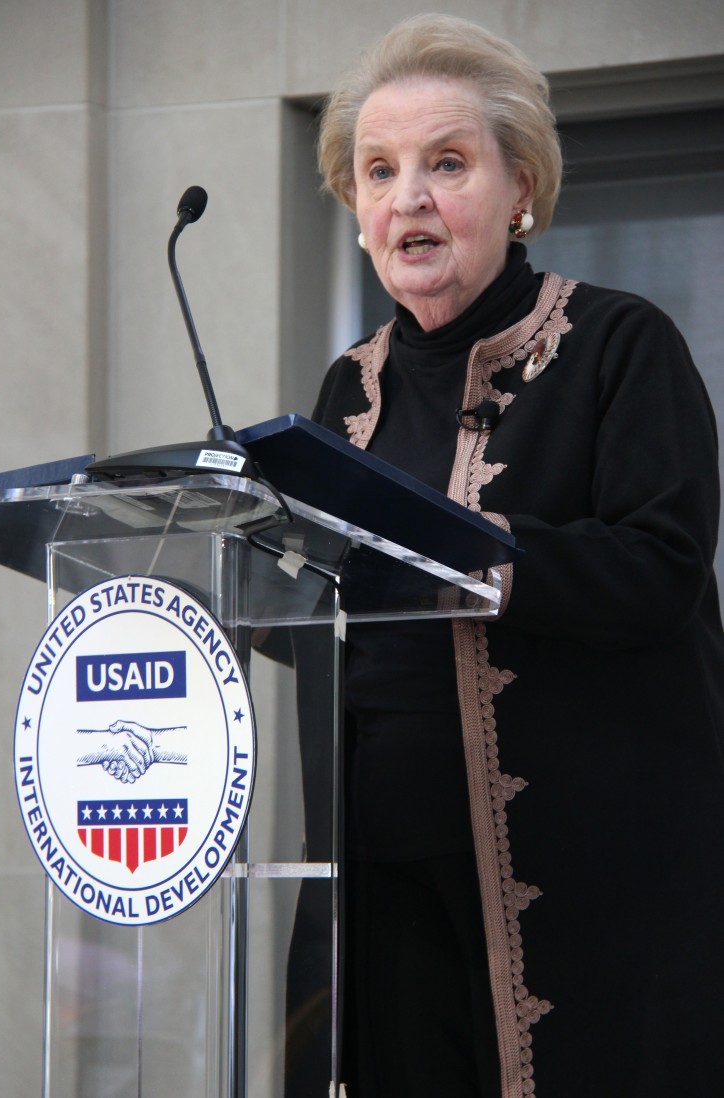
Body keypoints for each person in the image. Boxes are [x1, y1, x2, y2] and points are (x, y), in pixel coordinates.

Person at [308, 12, 724, 1098]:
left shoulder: (618, 346)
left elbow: (661, 566)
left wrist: (474, 553)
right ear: (356, 212)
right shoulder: (345, 392)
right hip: (384, 876)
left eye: (448, 164)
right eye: (380, 172)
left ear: (522, 188)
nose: (410, 198)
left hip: (585, 884)